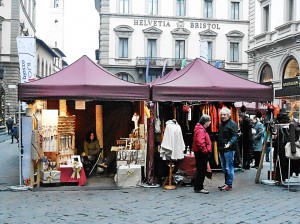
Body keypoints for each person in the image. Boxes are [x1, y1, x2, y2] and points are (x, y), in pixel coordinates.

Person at [217, 107, 238, 191]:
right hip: (222, 148)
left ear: (229, 115)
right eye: (221, 114)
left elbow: (235, 136)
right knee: (223, 167)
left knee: (228, 167)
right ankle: (226, 183)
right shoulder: (221, 124)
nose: (223, 116)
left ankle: (229, 184)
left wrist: (229, 143)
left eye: (224, 114)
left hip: (229, 149)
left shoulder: (232, 124)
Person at [192, 114, 212, 194]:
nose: (210, 123)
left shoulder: (200, 129)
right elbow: (200, 143)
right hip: (201, 153)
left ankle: (198, 186)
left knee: (201, 170)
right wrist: (206, 151)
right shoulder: (200, 130)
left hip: (200, 152)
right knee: (201, 170)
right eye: (209, 121)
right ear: (205, 122)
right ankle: (199, 187)